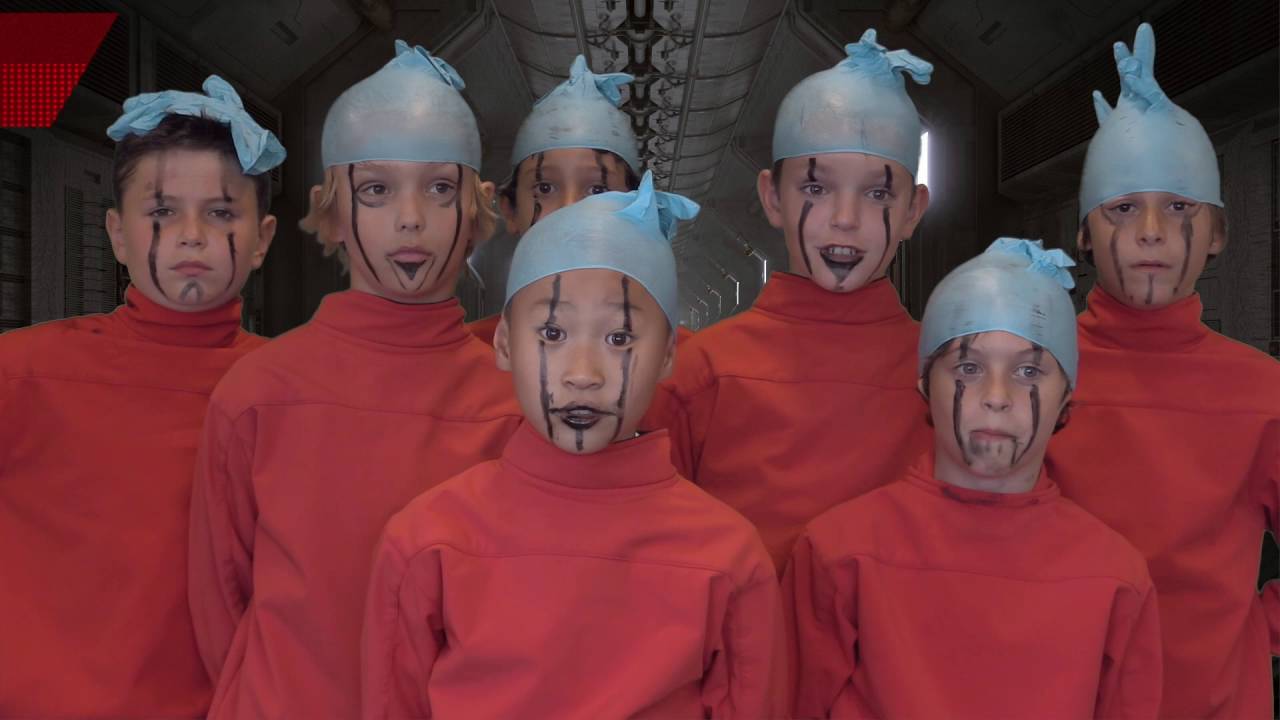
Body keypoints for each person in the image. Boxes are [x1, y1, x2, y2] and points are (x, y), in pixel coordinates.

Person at [361, 173, 784, 719]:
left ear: (667, 356)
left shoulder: (729, 558)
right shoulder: (427, 542)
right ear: (505, 343)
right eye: (553, 334)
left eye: (619, 338)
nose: (583, 374)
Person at [187, 41, 521, 720]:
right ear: (333, 212)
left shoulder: (515, 405)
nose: (409, 217)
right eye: (376, 189)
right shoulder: (257, 393)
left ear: (477, 212)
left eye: (439, 188)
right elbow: (219, 602)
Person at [0, 76, 283, 718]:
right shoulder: (22, 375)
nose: (191, 234)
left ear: (262, 239)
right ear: (117, 233)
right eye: (161, 212)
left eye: (221, 213)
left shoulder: (299, 394)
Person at [787, 238, 1163, 719]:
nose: (997, 396)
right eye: (969, 367)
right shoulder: (839, 553)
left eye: (1028, 371)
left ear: (1066, 396)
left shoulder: (1117, 576)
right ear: (926, 384)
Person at [1045, 22, 1280, 718]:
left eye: (1179, 206)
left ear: (1218, 232)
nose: (1151, 230)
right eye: (1123, 208)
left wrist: (1252, 635)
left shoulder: (1262, 390)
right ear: (1084, 233)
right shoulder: (1035, 372)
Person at [643, 29, 932, 571]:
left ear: (913, 211)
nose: (844, 219)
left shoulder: (948, 378)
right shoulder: (700, 377)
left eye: (877, 193)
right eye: (816, 189)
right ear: (773, 197)